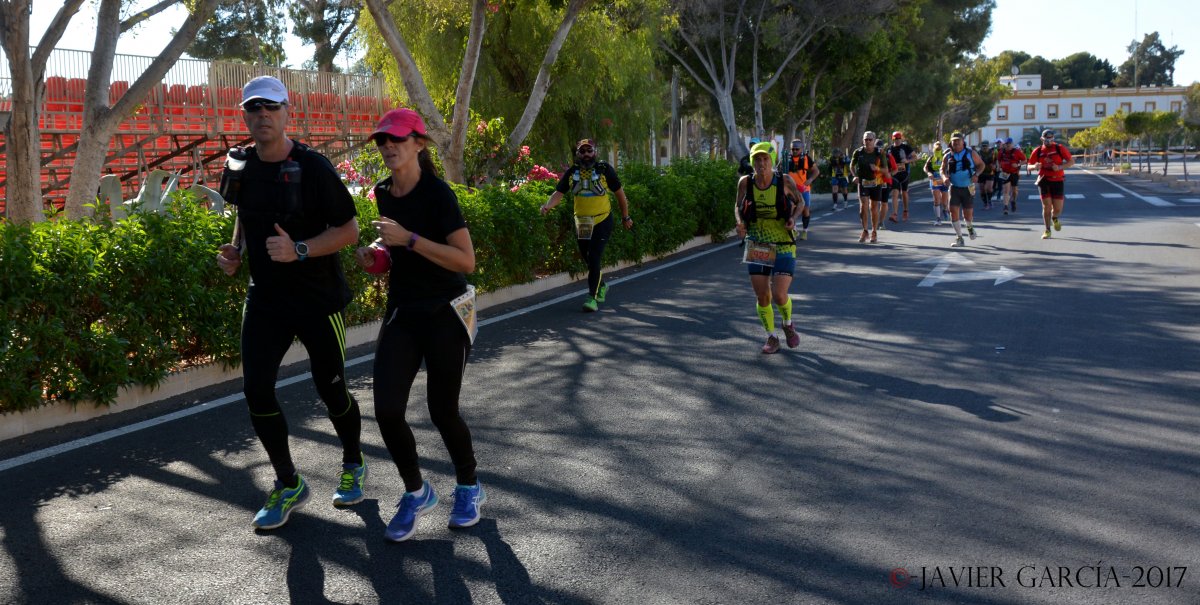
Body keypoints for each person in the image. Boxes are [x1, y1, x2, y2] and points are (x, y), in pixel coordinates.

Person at [214, 75, 365, 530]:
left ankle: (353, 461)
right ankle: (288, 482)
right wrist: (236, 250)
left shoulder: (314, 167)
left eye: (271, 107)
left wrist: (299, 249)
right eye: (253, 108)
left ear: (286, 113)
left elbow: (349, 231)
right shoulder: (240, 165)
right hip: (265, 299)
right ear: (245, 116)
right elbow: (244, 216)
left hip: (317, 299)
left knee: (331, 387)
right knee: (256, 391)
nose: (262, 115)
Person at [354, 108, 485, 542]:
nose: (388, 146)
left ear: (418, 144)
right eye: (382, 140)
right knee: (387, 410)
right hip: (404, 311)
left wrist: (408, 239)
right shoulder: (382, 192)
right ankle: (416, 491)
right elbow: (394, 248)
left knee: (442, 410)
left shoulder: (437, 194)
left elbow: (465, 260)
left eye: (397, 139)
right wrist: (378, 254)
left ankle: (469, 487)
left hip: (446, 311)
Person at [541, 139, 633, 311]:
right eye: (582, 151)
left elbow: (620, 194)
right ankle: (601, 285)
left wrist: (625, 217)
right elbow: (559, 193)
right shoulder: (572, 172)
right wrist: (547, 206)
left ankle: (592, 298)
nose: (586, 154)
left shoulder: (604, 170)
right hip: (583, 222)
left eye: (589, 150)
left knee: (595, 257)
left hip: (602, 220)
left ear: (595, 152)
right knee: (588, 259)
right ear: (578, 154)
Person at [735, 141, 803, 353]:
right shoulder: (745, 182)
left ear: (772, 161)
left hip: (783, 241)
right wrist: (740, 222)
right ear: (752, 162)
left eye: (765, 159)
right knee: (763, 296)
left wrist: (792, 218)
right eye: (757, 159)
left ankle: (788, 324)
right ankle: (772, 337)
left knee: (779, 294)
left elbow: (800, 203)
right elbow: (737, 206)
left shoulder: (784, 181)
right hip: (758, 241)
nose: (761, 163)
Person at [940, 132, 984, 247]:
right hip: (954, 187)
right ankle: (959, 238)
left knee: (967, 215)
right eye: (954, 141)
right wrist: (944, 177)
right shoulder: (947, 156)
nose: (956, 143)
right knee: (953, 211)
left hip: (968, 187)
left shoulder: (971, 153)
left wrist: (976, 174)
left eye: (958, 141)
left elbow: (981, 165)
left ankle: (970, 228)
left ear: (963, 142)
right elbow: (942, 169)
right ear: (951, 143)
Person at [1028, 129, 1074, 239]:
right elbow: (1029, 166)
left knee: (1058, 209)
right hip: (1043, 180)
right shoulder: (1038, 151)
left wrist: (1060, 167)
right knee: (1046, 206)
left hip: (1057, 180)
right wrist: (1034, 166)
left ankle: (1055, 218)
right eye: (1046, 139)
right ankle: (1047, 230)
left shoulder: (1059, 148)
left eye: (1051, 139)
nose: (1049, 141)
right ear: (1042, 139)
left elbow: (1071, 162)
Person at [850, 131, 890, 243]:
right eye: (865, 139)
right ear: (863, 141)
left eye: (870, 139)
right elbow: (851, 166)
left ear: (874, 140)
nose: (868, 141)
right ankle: (865, 231)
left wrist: (877, 168)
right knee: (863, 206)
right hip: (863, 182)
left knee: (874, 207)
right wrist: (854, 176)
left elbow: (886, 170)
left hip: (876, 182)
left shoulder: (879, 152)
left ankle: (874, 231)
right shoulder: (858, 152)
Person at [783, 139, 819, 240]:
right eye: (792, 149)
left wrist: (810, 180)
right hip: (791, 190)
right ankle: (794, 229)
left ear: (801, 149)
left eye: (797, 149)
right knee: (791, 208)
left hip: (804, 189)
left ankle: (805, 230)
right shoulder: (786, 159)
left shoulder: (806, 158)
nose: (794, 151)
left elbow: (816, 171)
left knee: (805, 210)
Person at [886, 131, 917, 222]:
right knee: (895, 193)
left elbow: (915, 157)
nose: (897, 140)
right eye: (896, 138)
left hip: (904, 174)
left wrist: (907, 161)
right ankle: (894, 214)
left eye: (899, 138)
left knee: (904, 193)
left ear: (901, 138)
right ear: (893, 139)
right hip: (894, 174)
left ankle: (905, 210)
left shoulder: (906, 147)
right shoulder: (889, 149)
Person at [996, 137, 1026, 215]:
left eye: (1009, 144)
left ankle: (1013, 201)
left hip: (1014, 173)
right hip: (1004, 173)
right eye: (1006, 144)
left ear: (1012, 144)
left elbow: (1024, 160)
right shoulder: (1001, 152)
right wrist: (998, 166)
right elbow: (998, 160)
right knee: (1006, 190)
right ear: (1004, 144)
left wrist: (1018, 164)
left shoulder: (1017, 151)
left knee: (1014, 191)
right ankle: (1005, 206)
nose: (1008, 145)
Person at [923, 141, 949, 225]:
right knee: (937, 200)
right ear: (933, 149)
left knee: (944, 202)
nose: (938, 149)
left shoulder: (945, 156)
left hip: (943, 179)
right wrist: (929, 173)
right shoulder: (931, 158)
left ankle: (945, 210)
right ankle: (938, 219)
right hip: (935, 179)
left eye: (939, 148)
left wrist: (948, 175)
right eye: (936, 148)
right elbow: (925, 167)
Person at [976, 139, 996, 209]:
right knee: (982, 189)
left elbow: (996, 161)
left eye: (986, 146)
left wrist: (995, 166)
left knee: (989, 189)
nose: (984, 147)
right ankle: (985, 203)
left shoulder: (992, 153)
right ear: (981, 146)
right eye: (983, 146)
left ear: (988, 146)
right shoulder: (978, 153)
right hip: (981, 173)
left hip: (990, 172)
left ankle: (989, 201)